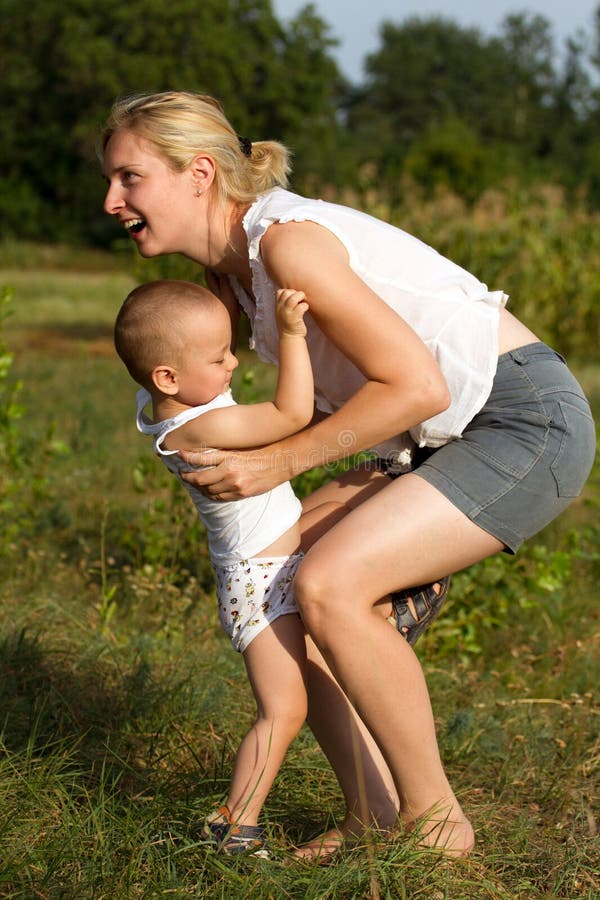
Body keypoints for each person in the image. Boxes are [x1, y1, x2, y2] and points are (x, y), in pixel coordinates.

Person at [101, 91, 596, 860]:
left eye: (129, 178)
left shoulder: (285, 245)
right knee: (288, 584)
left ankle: (437, 831)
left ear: (199, 173)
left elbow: (420, 388)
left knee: (333, 586)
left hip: (519, 418)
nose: (111, 200)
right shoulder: (226, 284)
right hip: (423, 437)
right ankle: (373, 813)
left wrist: (274, 462)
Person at [114, 279, 392, 855]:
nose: (233, 362)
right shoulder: (199, 428)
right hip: (260, 588)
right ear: (168, 377)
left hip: (271, 571)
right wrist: (292, 334)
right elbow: (291, 412)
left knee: (296, 698)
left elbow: (193, 361)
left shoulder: (167, 400)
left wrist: (222, 316)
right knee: (285, 709)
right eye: (219, 358)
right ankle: (233, 825)